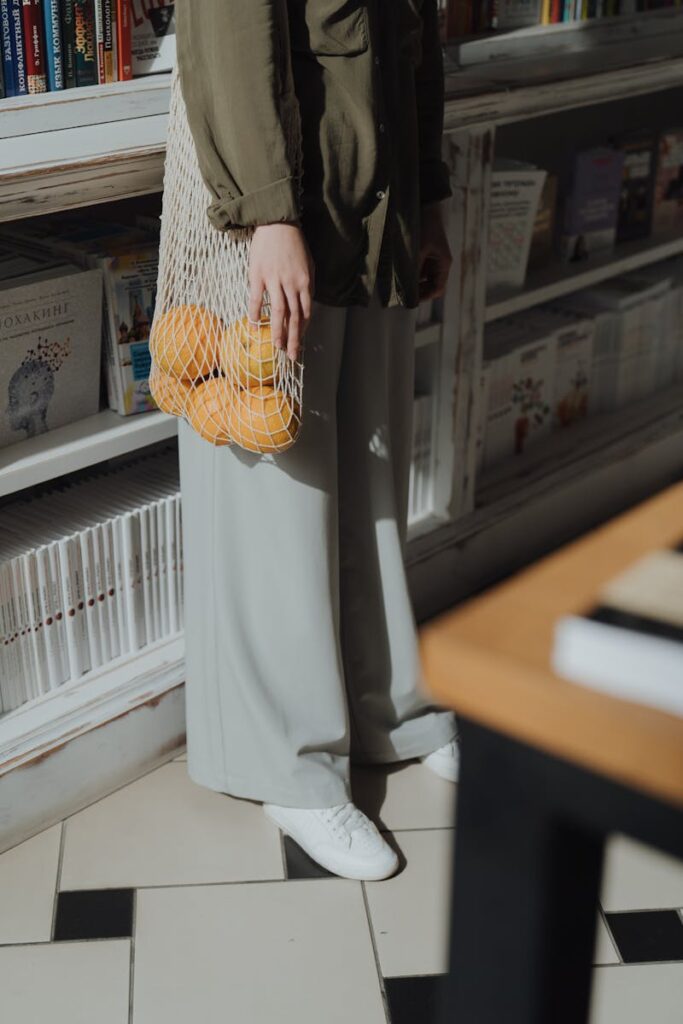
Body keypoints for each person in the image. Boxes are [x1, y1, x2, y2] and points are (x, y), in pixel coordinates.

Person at [174, 0, 459, 881]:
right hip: (282, 205)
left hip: (369, 203)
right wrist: (267, 212)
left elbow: (411, 32)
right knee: (277, 490)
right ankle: (285, 766)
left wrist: (428, 194)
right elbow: (227, 29)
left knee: (369, 477)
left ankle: (387, 712)